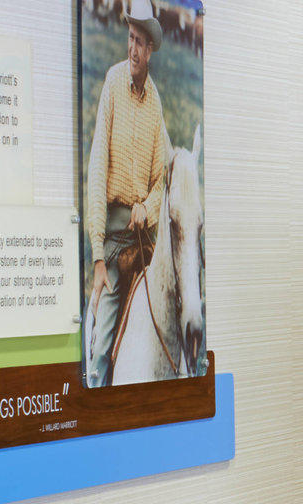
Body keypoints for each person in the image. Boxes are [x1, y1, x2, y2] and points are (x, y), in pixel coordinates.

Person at [84, 0, 174, 387]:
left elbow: (163, 178)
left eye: (140, 41)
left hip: (143, 237)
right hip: (114, 240)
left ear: (150, 49)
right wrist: (97, 256)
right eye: (130, 38)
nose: (133, 48)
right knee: (102, 348)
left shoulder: (155, 104)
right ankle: (99, 392)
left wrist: (148, 209)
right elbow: (96, 168)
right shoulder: (112, 83)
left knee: (166, 327)